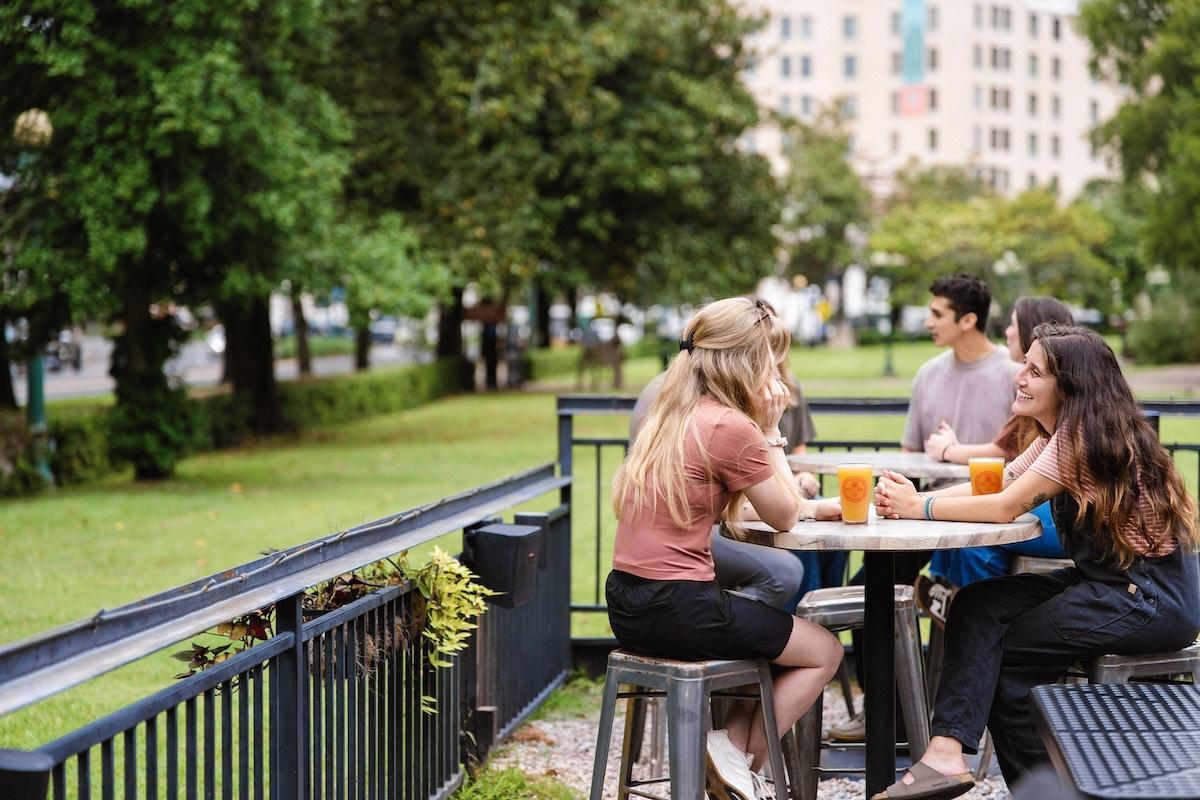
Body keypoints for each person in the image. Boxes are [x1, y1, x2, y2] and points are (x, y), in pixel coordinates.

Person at [872, 324, 1200, 799]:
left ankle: (1051, 789)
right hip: (1113, 584)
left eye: (1034, 371)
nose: (1019, 377)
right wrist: (913, 499)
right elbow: (998, 484)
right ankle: (946, 754)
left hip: (1147, 599)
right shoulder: (1061, 435)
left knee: (1004, 654)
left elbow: (1005, 507)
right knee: (980, 604)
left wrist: (917, 507)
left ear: (1067, 386)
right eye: (1023, 365)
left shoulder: (1082, 439)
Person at [608, 297, 845, 800]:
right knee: (822, 649)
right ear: (744, 362)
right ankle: (740, 772)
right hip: (680, 606)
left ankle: (730, 753)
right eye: (769, 359)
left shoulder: (671, 414)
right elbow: (782, 513)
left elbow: (727, 506)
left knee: (774, 642)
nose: (777, 372)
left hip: (628, 601)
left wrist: (817, 509)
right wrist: (771, 428)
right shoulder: (731, 426)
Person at [832, 273, 1018, 742]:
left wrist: (956, 453)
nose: (927, 320)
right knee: (868, 589)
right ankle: (886, 717)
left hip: (988, 517)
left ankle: (968, 720)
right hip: (926, 511)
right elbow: (911, 454)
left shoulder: (1015, 376)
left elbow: (1021, 459)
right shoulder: (928, 374)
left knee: (974, 605)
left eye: (937, 313)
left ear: (968, 319)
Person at [920, 296, 1075, 589]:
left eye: (1013, 324)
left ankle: (958, 600)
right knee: (969, 516)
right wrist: (913, 502)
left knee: (978, 525)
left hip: (1138, 586)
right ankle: (952, 598)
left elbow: (1003, 487)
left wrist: (923, 503)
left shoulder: (1071, 435)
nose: (1006, 332)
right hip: (1056, 515)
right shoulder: (1048, 431)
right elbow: (1003, 477)